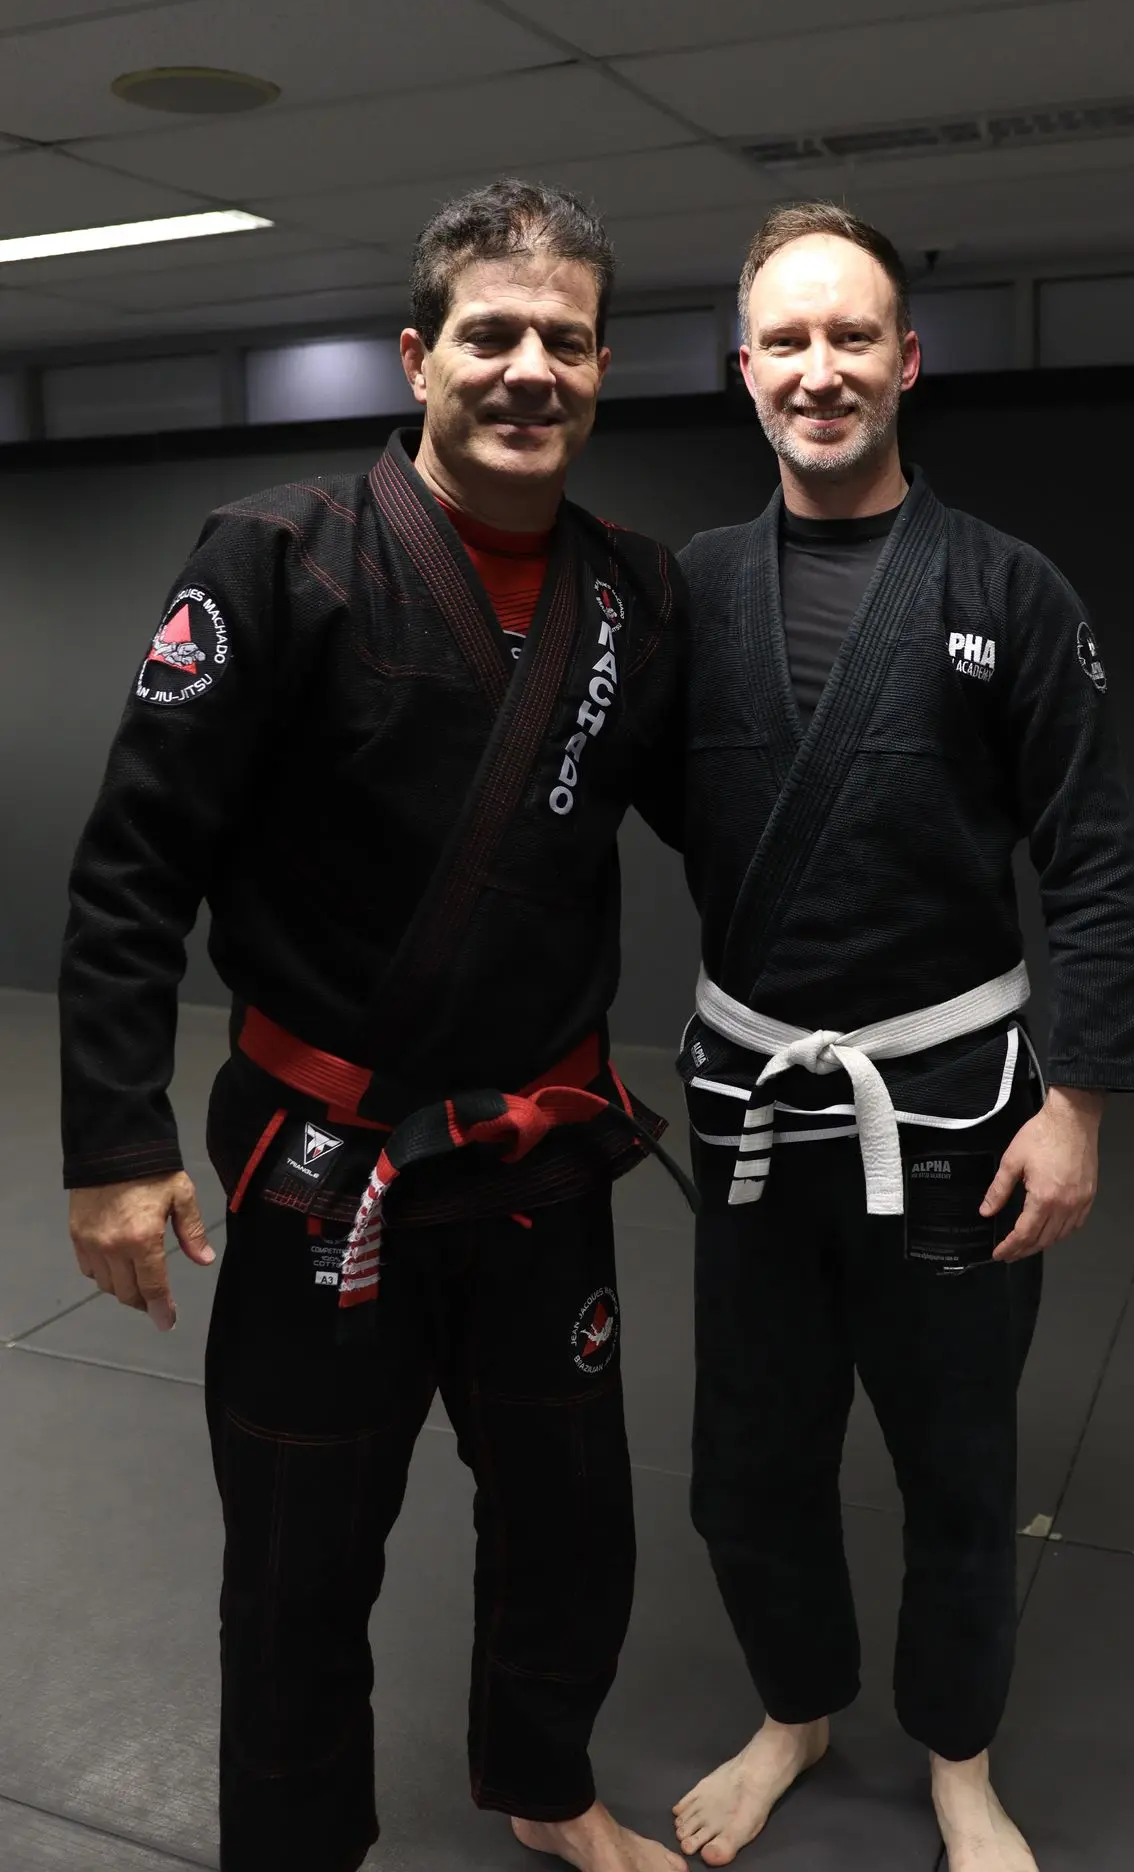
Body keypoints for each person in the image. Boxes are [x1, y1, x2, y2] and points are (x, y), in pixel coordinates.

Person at [59, 181, 691, 1872]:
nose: (528, 369)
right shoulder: (274, 560)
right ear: (419, 356)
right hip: (324, 1167)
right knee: (299, 1557)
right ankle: (295, 1850)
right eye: (492, 335)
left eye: (565, 339)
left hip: (543, 1165)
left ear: (603, 366)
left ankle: (544, 1786)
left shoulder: (633, 596)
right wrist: (116, 1145)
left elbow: (726, 823)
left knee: (574, 1527)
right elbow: (134, 868)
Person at [669, 203, 1134, 1872]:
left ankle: (958, 1762)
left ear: (907, 361)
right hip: (753, 1118)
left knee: (958, 1471)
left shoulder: (1006, 588)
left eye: (852, 337)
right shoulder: (690, 596)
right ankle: (797, 1712)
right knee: (747, 1470)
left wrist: (1076, 1106)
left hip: (955, 1115)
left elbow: (1088, 860)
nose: (822, 370)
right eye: (788, 342)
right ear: (745, 373)